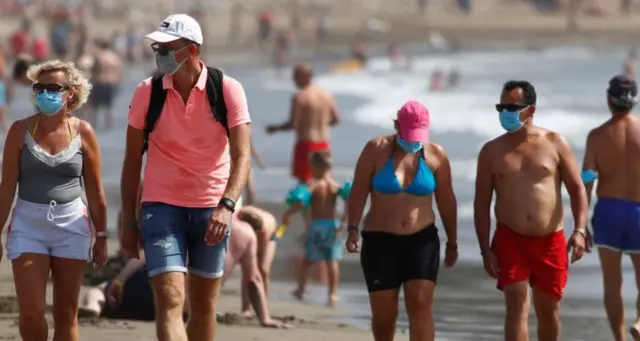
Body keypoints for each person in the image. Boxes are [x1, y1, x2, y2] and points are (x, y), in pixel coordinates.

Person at [120, 14, 252, 341]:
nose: (159, 53)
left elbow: (242, 156)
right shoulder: (147, 92)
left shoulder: (227, 90)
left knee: (204, 304)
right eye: (157, 47)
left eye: (168, 47)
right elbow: (132, 160)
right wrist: (127, 222)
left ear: (191, 50)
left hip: (212, 207)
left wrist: (227, 205)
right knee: (170, 297)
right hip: (161, 205)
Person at [0, 59, 108, 341]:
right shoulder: (19, 131)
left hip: (72, 225)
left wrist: (102, 236)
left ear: (70, 93)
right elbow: (6, 187)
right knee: (32, 311)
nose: (45, 93)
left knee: (65, 313)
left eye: (53, 87)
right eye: (39, 88)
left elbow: (96, 191)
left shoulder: (83, 132)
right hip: (28, 225)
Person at [473, 80, 588, 341]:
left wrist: (580, 230)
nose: (506, 112)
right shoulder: (491, 151)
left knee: (549, 312)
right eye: (502, 107)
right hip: (510, 239)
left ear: (531, 109)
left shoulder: (555, 143)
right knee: (516, 306)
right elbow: (481, 204)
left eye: (513, 107)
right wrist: (484, 248)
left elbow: (577, 189)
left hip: (550, 241)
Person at [345, 100, 458, 341]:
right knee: (385, 316)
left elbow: (447, 201)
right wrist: (352, 228)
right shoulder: (375, 150)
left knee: (420, 306)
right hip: (380, 242)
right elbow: (358, 192)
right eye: (409, 134)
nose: (414, 140)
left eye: (419, 135)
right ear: (397, 126)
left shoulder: (436, 155)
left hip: (422, 241)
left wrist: (453, 242)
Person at [583, 75, 640, 341]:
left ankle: (619, 338)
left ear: (608, 99)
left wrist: (581, 224)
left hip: (608, 212)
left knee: (612, 282)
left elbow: (586, 180)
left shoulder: (596, 137)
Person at [281, 151, 350, 306]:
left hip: (316, 226)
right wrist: (345, 220)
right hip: (332, 225)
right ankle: (332, 294)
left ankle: (300, 289)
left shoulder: (313, 185)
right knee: (332, 261)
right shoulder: (335, 186)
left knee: (308, 260)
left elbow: (300, 202)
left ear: (316, 167)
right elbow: (349, 201)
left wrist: (288, 214)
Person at [266, 63, 340, 184]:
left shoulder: (300, 97)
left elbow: (293, 124)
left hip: (307, 144)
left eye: (296, 76)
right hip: (324, 144)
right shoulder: (327, 95)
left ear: (305, 76)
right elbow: (336, 119)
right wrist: (320, 123)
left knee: (305, 184)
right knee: (325, 181)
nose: (293, 79)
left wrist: (275, 128)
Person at [223, 203, 292, 329]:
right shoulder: (237, 218)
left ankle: (263, 306)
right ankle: (246, 309)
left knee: (263, 270)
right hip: (252, 225)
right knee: (249, 269)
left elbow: (253, 274)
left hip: (273, 235)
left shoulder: (262, 230)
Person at [237, 204, 278, 294]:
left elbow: (259, 254)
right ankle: (246, 306)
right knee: (248, 269)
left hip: (271, 234)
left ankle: (263, 299)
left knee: (263, 269)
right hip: (248, 219)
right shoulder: (236, 221)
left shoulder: (264, 231)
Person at [87, 39, 123, 131]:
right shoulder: (115, 57)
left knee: (94, 106)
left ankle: (92, 127)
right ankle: (109, 127)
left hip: (100, 81)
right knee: (109, 106)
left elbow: (94, 70)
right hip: (112, 82)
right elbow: (119, 71)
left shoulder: (99, 56)